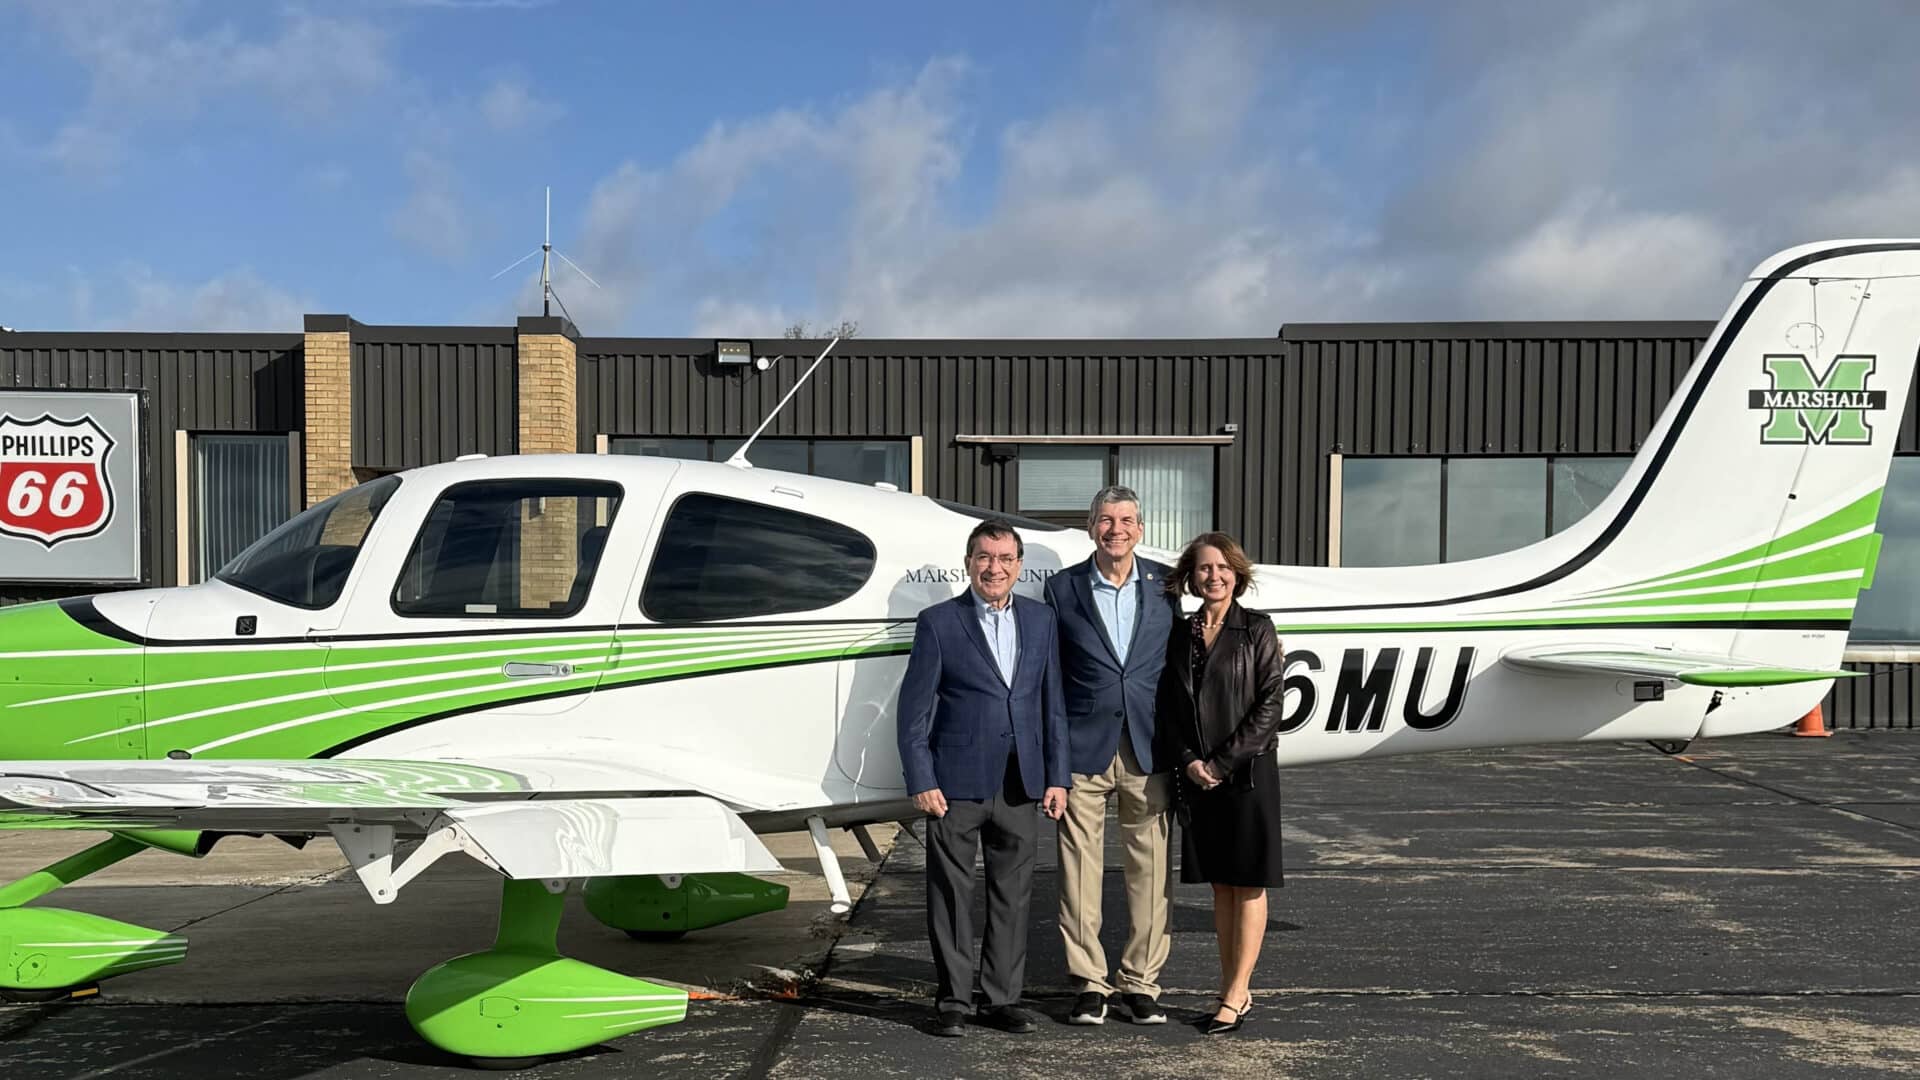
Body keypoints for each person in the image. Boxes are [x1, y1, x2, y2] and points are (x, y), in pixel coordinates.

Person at [896, 519, 1071, 1038]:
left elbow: (1052, 705)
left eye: (1004, 559)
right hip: (954, 784)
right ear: (969, 562)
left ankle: (1001, 999)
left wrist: (1057, 777)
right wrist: (921, 777)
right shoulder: (938, 622)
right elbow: (914, 712)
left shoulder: (1041, 622)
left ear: (1018, 566)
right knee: (950, 893)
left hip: (1023, 781)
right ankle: (953, 999)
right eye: (984, 557)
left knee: (1013, 896)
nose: (994, 568)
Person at [1043, 486, 1178, 1026]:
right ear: (1091, 527)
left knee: (1151, 873)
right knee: (1079, 873)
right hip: (1082, 750)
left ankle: (1141, 982)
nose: (1115, 529)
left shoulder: (1167, 587)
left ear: (1140, 529)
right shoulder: (1062, 588)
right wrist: (1053, 761)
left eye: (1126, 520)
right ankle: (1090, 983)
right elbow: (1049, 681)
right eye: (1105, 520)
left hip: (1149, 748)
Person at [1156, 531, 1285, 1036]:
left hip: (1246, 776)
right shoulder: (1179, 634)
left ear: (1238, 574)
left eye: (1223, 567)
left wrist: (1222, 763)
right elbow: (1169, 708)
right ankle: (1233, 983)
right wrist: (1189, 761)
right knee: (1221, 887)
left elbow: (1270, 705)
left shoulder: (1257, 628)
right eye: (1204, 568)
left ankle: (1235, 993)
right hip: (1199, 778)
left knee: (1248, 885)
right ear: (1191, 576)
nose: (1214, 576)